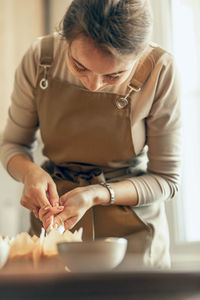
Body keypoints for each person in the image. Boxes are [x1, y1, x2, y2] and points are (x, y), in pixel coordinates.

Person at [0, 0, 181, 268]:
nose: (94, 85)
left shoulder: (160, 69)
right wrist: (30, 173)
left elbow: (166, 180)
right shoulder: (41, 58)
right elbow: (12, 144)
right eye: (79, 66)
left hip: (133, 235)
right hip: (54, 232)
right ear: (66, 39)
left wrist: (98, 194)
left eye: (114, 75)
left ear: (140, 54)